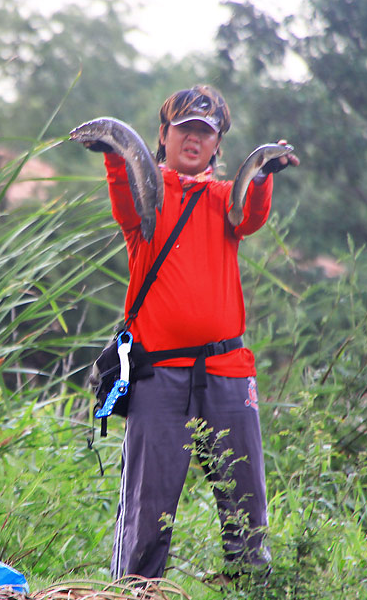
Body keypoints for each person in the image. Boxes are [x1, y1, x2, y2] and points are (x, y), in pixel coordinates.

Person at [82, 85, 299, 582]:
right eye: (185, 130)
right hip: (160, 375)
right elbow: (125, 202)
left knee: (246, 512)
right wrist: (115, 159)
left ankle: (250, 591)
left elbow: (251, 214)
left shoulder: (225, 199)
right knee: (146, 512)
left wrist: (263, 175)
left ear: (218, 145)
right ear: (164, 135)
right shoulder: (148, 199)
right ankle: (135, 593)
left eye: (205, 133)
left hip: (227, 372)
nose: (194, 140)